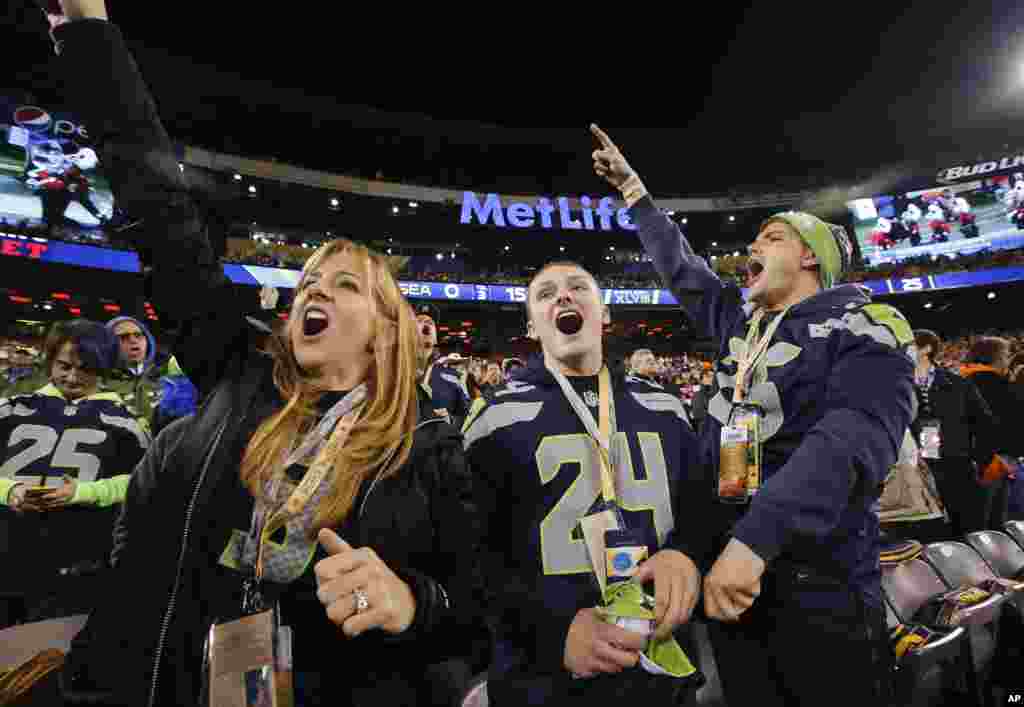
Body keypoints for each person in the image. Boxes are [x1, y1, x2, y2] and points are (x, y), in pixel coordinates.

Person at [47, 5, 485, 706]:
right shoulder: (237, 366)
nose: (315, 289)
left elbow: (472, 603)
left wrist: (410, 599)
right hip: (166, 682)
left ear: (383, 330)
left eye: (345, 285)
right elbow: (164, 217)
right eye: (309, 280)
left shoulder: (428, 445)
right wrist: (90, 34)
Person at [592, 124, 914, 705]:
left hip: (818, 583)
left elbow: (852, 437)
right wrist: (637, 196)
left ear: (811, 257)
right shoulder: (744, 329)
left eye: (771, 236)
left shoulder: (867, 322)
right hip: (731, 577)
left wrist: (758, 539)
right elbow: (686, 274)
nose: (752, 247)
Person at [464, 259, 708, 706]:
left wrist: (687, 556)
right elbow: (473, 560)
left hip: (657, 672)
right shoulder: (493, 418)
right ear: (533, 328)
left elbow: (703, 514)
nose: (563, 296)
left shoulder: (665, 407)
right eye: (545, 293)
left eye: (579, 286)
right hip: (543, 680)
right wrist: (552, 630)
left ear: (606, 313)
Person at [0, 319, 148, 628]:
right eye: (64, 365)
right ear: (50, 361)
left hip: (75, 569)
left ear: (103, 367)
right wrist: (9, 491)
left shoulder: (124, 423)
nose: (72, 376)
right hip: (6, 554)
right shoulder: (12, 409)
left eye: (86, 368)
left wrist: (83, 492)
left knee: (49, 661)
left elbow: (140, 484)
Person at [911, 330, 1001, 539]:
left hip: (956, 467)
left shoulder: (958, 384)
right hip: (917, 471)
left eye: (909, 345)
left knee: (965, 531)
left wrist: (979, 460)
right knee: (927, 535)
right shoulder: (898, 384)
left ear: (926, 349)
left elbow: (984, 424)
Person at [960, 336, 1023, 530]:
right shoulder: (1000, 386)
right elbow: (1013, 424)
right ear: (993, 356)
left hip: (965, 461)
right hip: (995, 460)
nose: (1007, 360)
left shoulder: (957, 380)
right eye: (1005, 355)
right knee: (991, 524)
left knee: (974, 522)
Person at [415, 303, 472, 428]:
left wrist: (449, 420)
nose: (425, 324)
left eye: (430, 323)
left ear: (435, 339)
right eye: (419, 321)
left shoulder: (452, 377)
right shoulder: (391, 372)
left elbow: (467, 417)